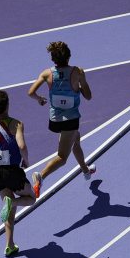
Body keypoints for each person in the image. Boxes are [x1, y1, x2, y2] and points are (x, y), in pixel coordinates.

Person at [27, 40, 95, 198]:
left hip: (55, 121)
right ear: (69, 56)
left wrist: (39, 99)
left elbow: (30, 92)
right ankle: (41, 176)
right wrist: (79, 86)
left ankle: (85, 170)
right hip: (70, 120)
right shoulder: (77, 72)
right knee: (62, 157)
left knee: (75, 139)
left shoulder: (46, 74)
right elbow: (89, 96)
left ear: (53, 59)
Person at [0, 90, 36, 257]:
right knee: (31, 199)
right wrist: (26, 160)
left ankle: (9, 245)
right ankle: (11, 203)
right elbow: (21, 146)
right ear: (7, 106)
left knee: (9, 208)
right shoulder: (16, 124)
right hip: (12, 172)